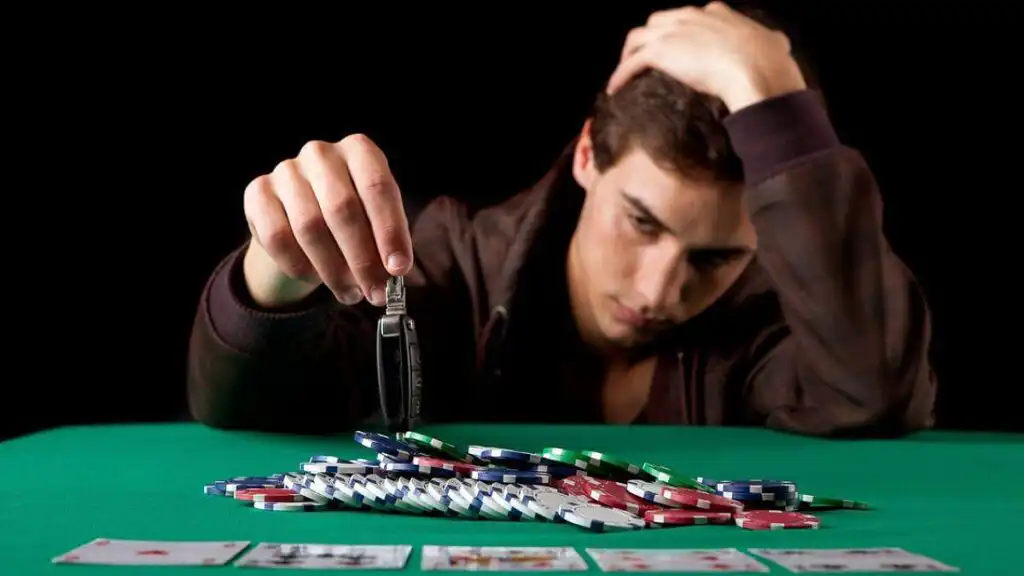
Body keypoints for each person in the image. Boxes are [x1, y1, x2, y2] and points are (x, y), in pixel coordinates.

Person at [187, 2, 936, 437]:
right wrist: (277, 268)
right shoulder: (449, 261)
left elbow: (874, 395)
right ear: (587, 155)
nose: (659, 288)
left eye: (714, 257)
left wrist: (774, 99)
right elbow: (253, 409)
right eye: (641, 222)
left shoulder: (778, 321)